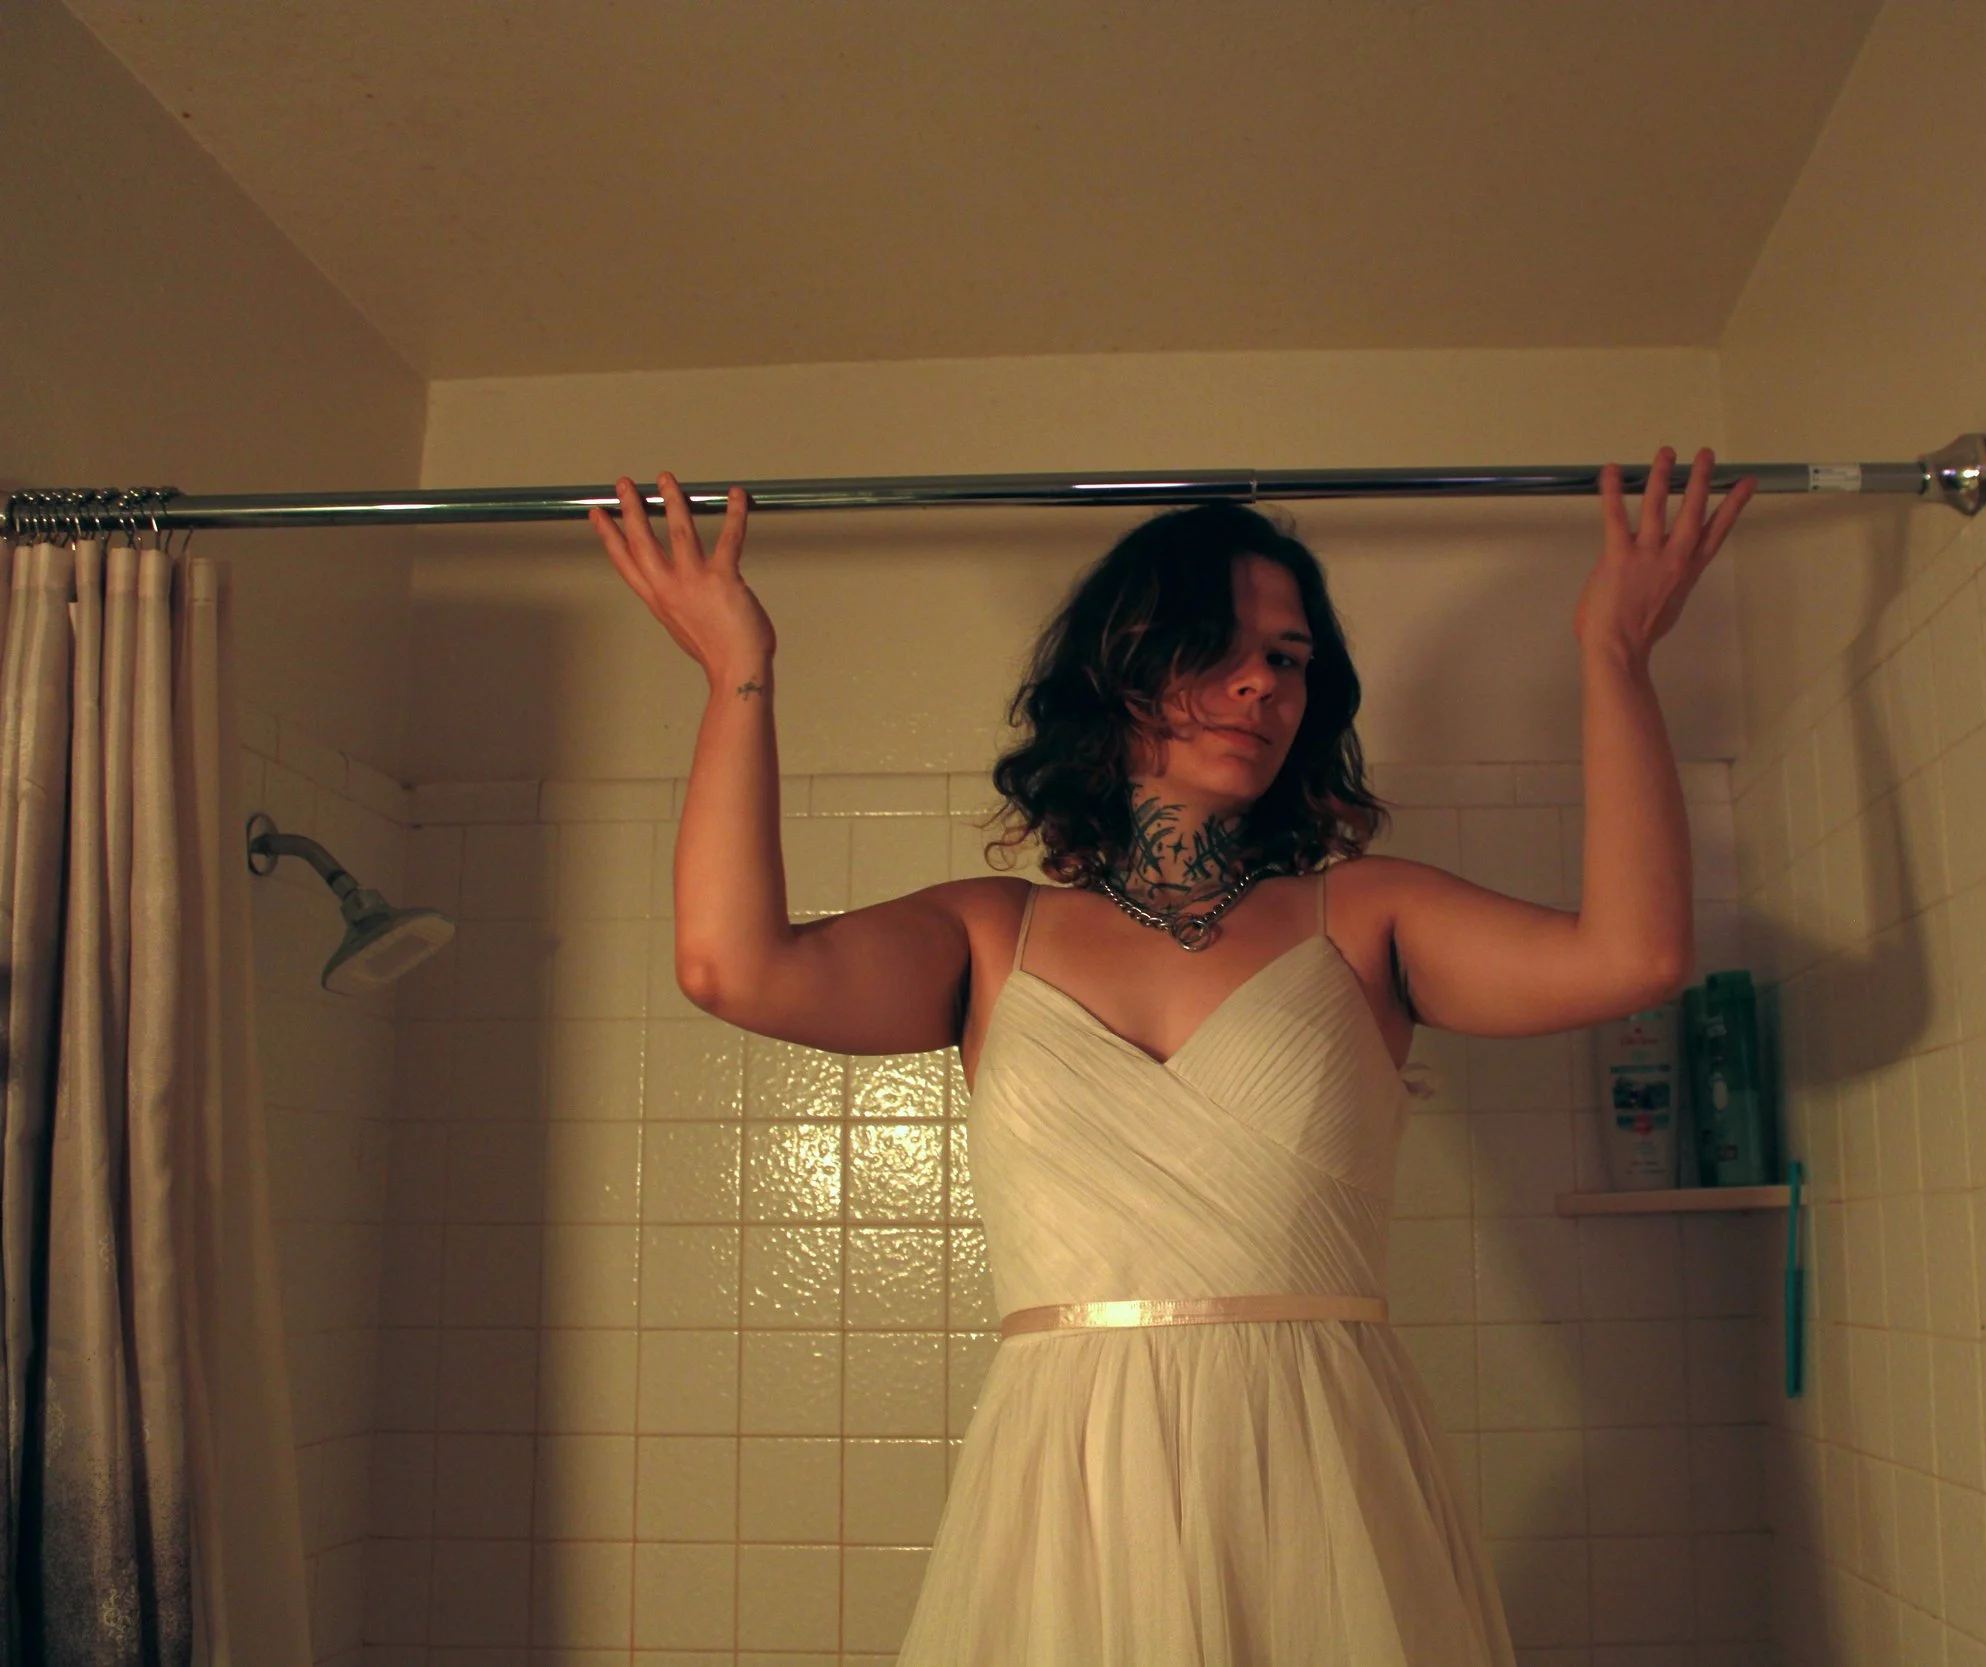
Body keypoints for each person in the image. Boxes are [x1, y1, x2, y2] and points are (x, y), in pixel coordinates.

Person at [590, 447, 1755, 1665]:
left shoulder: (1364, 914)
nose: (1260, 681)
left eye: (1289, 658)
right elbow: (731, 966)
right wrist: (736, 666)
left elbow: (1634, 956)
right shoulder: (990, 934)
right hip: (1071, 1488)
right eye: (1218, 644)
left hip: (1321, 1479)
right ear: (1120, 668)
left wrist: (1615, 653)